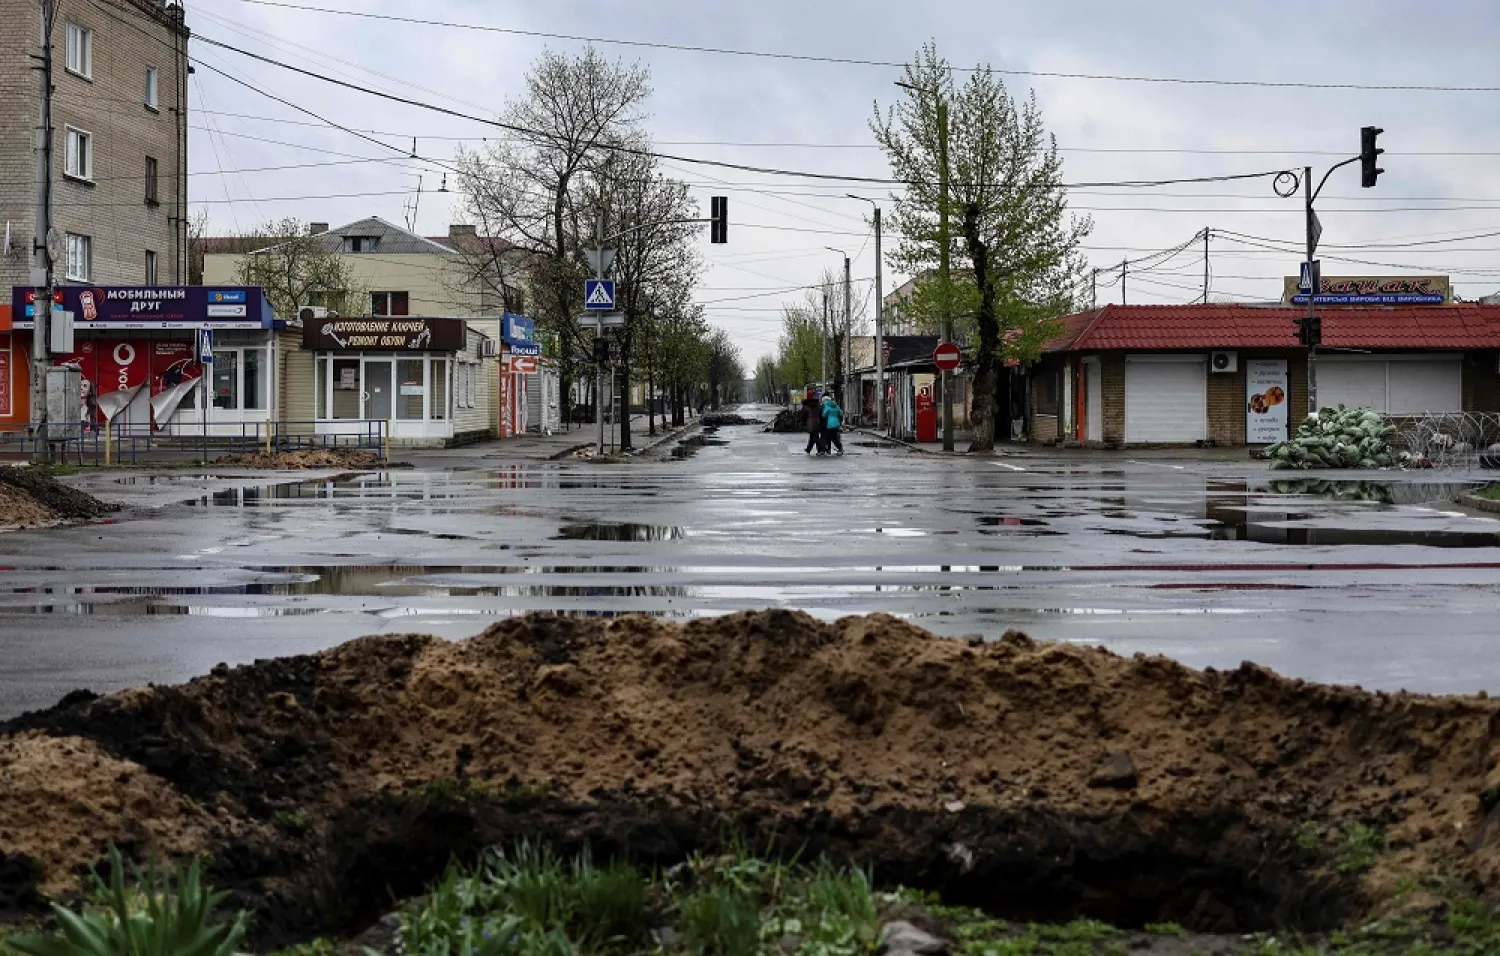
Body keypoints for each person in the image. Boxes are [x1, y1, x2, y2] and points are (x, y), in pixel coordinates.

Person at [801, 388, 823, 454]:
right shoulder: (817, 404)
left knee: (815, 436)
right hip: (817, 421)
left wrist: (803, 423)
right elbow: (820, 413)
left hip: (810, 422)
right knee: (813, 435)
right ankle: (809, 449)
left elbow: (804, 415)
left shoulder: (806, 406)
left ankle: (820, 450)